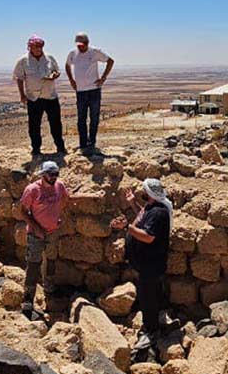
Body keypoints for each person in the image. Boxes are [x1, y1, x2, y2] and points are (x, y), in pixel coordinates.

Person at [111, 178, 171, 350]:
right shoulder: (152, 208)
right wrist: (132, 204)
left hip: (150, 264)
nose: (141, 192)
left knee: (147, 297)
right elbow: (143, 218)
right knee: (153, 293)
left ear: (149, 193)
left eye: (143, 190)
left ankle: (151, 332)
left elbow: (148, 236)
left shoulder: (159, 212)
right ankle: (158, 318)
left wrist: (126, 227)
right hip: (147, 264)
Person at [19, 161, 69, 320]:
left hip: (53, 233)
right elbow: (22, 211)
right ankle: (28, 300)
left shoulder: (59, 186)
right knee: (33, 266)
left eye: (56, 174)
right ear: (43, 174)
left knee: (52, 261)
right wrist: (37, 228)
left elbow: (66, 199)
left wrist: (58, 216)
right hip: (36, 235)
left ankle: (49, 289)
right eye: (50, 174)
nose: (54, 177)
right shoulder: (32, 190)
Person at [13, 35, 67, 157]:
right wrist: (22, 95)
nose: (38, 49)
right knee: (34, 125)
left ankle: (60, 147)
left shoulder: (50, 58)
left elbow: (56, 71)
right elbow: (19, 78)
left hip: (51, 96)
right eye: (35, 47)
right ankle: (36, 149)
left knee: (56, 124)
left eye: (40, 46)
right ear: (30, 47)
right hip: (34, 98)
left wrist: (54, 75)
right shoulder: (23, 61)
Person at [65, 32, 114, 155]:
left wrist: (103, 78)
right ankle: (83, 144)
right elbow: (67, 65)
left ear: (87, 43)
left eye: (82, 45)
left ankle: (91, 142)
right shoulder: (73, 53)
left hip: (94, 90)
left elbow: (110, 61)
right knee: (81, 119)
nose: (80, 47)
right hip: (80, 91)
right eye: (78, 45)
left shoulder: (95, 52)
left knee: (94, 118)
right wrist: (71, 80)